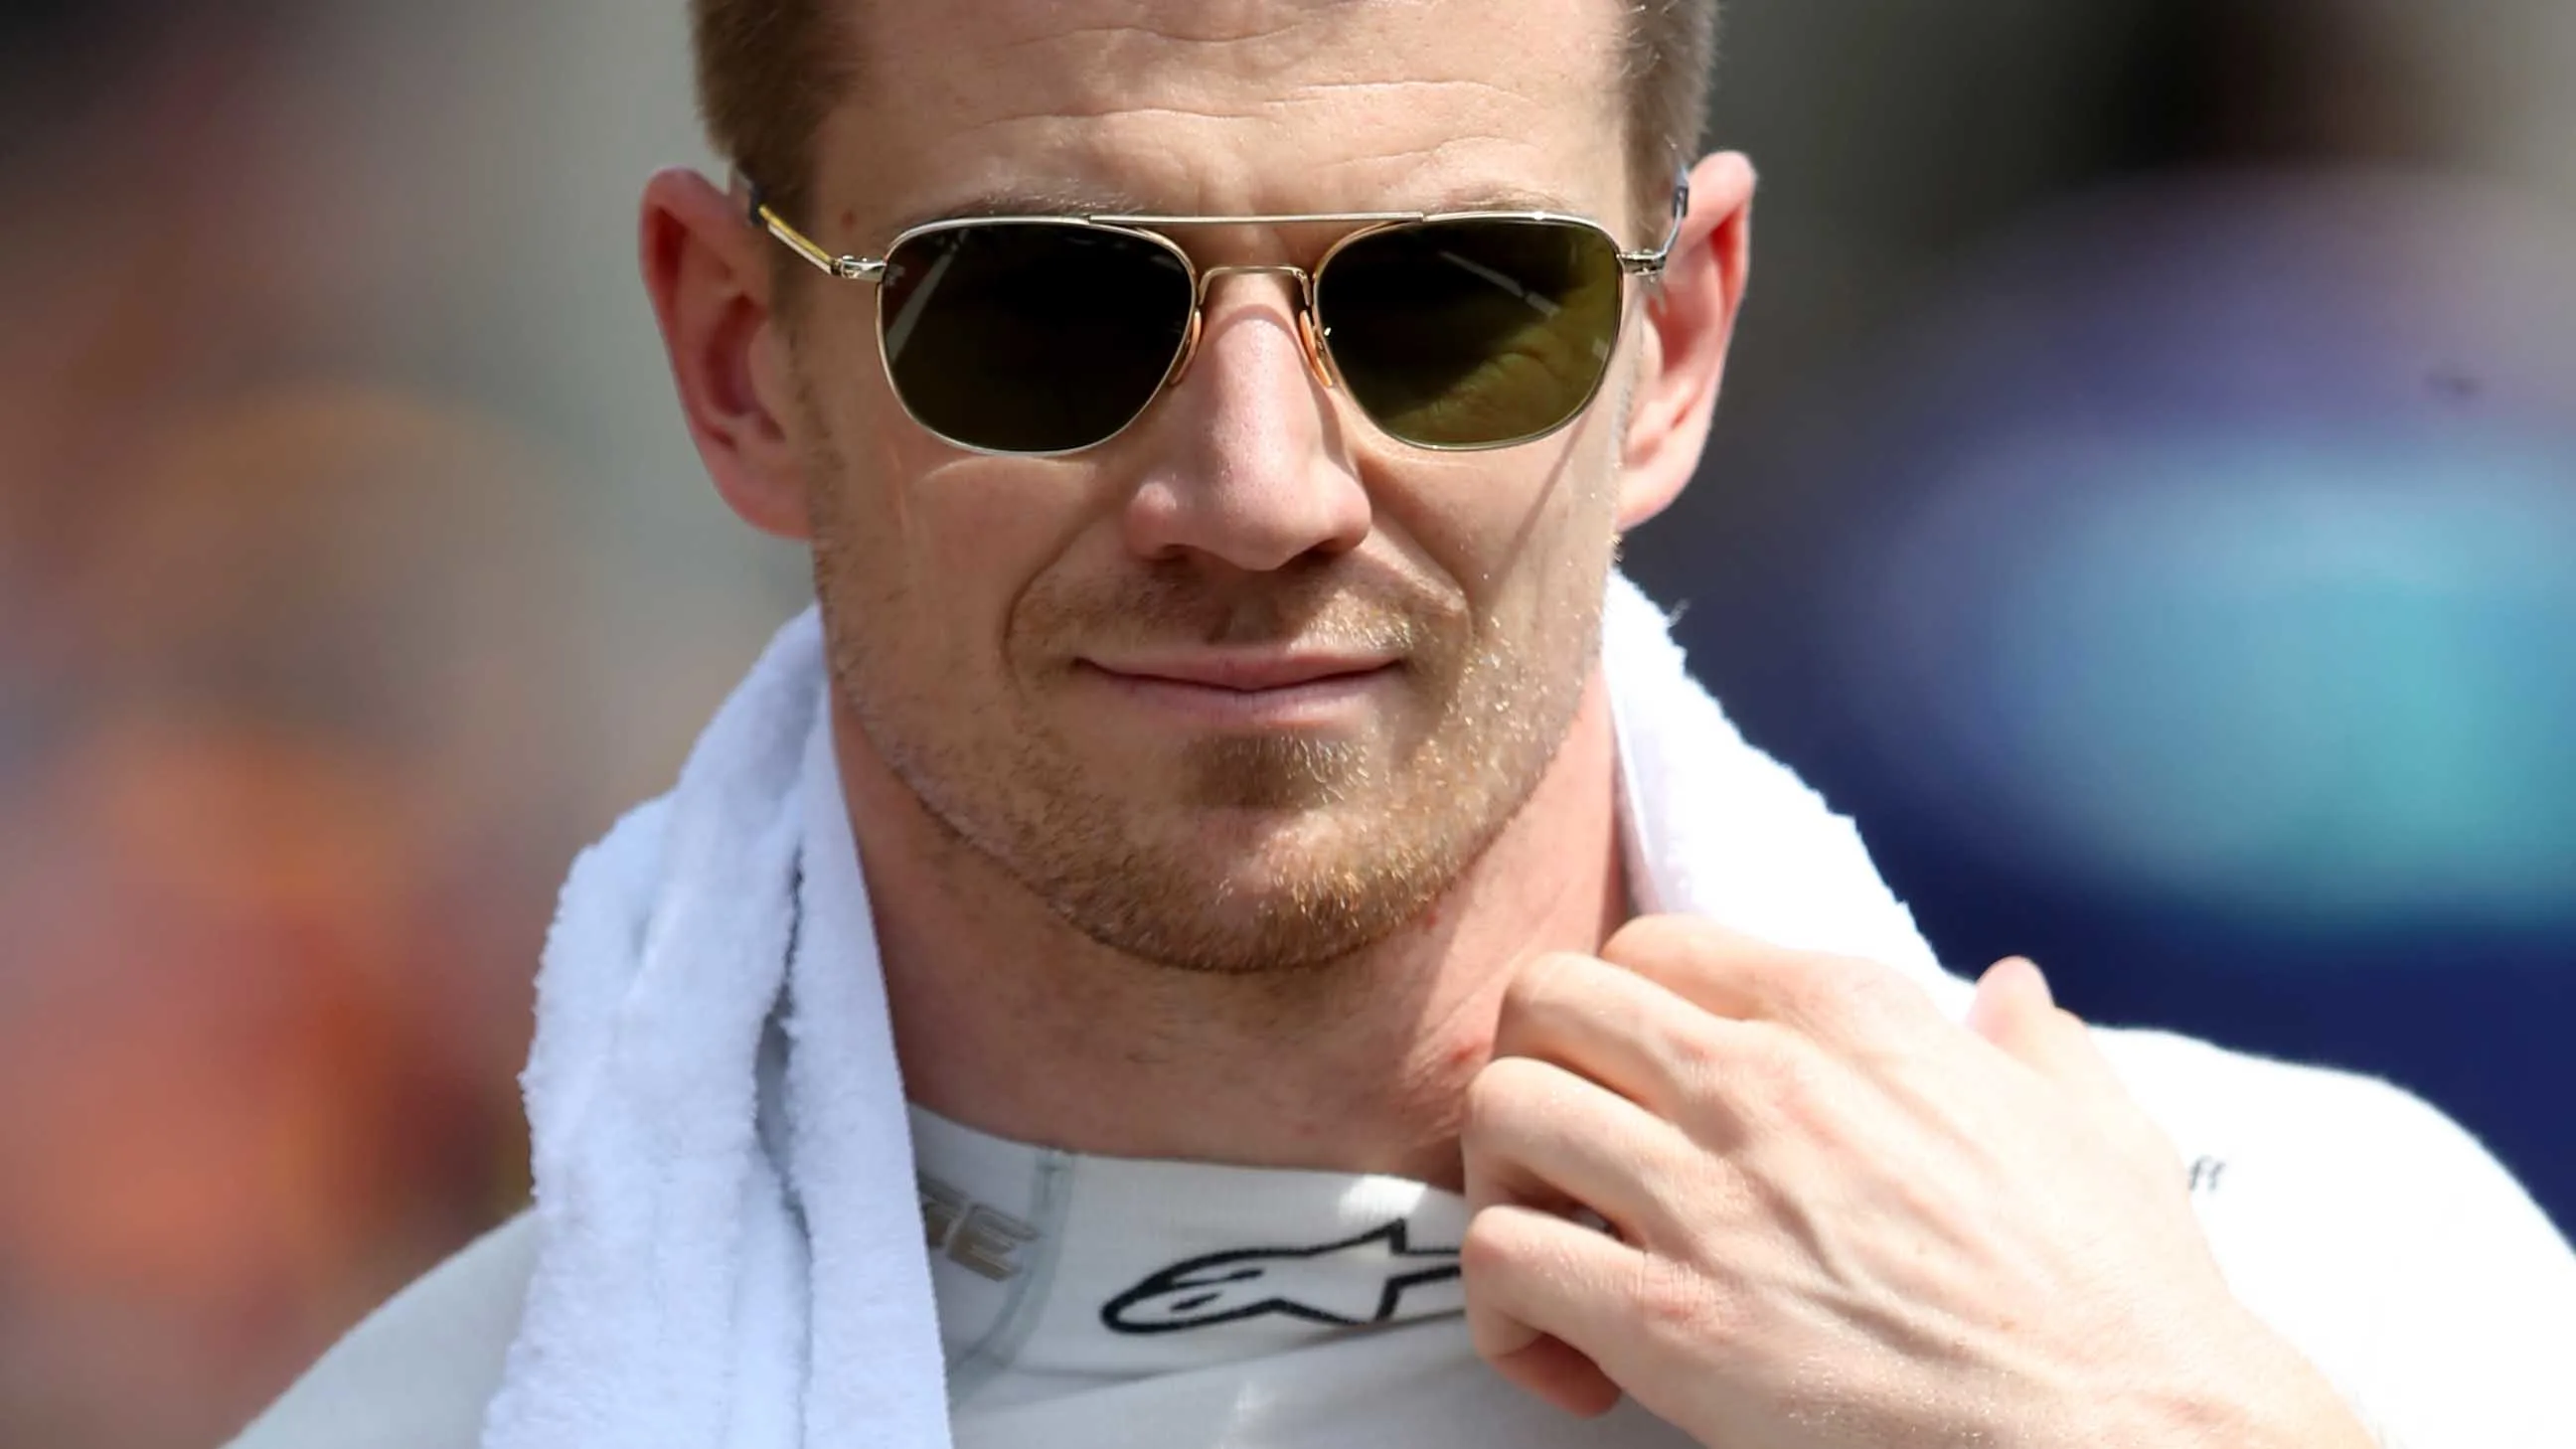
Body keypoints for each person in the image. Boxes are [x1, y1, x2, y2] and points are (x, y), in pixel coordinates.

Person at [228, 2, 2576, 1446]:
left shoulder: (2323, 1288)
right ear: (746, 358)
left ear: (1671, 345)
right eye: (1041, 307)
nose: (1256, 488)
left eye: (1462, 302)